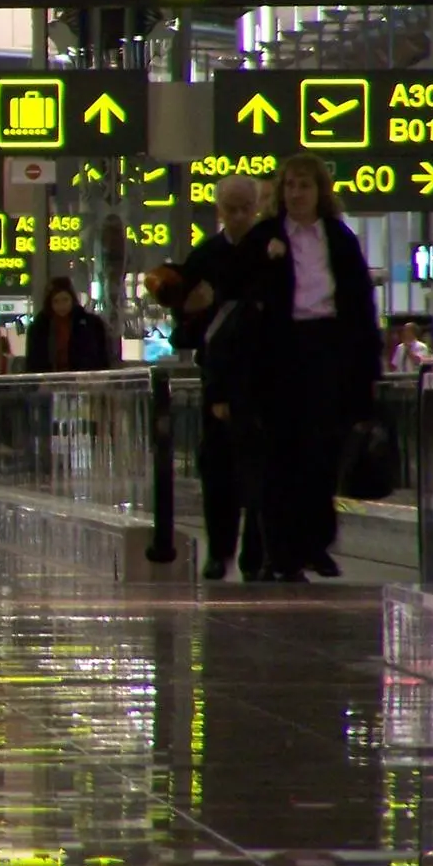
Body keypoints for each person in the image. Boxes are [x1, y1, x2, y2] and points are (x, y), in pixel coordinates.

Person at [245, 154, 381, 583]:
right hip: (281, 352)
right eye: (290, 186)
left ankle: (315, 543)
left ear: (320, 191)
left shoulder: (338, 238)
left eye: (305, 186)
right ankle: (281, 553)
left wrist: (366, 369)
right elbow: (247, 302)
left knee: (323, 451)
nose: (297, 194)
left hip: (328, 349)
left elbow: (360, 304)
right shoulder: (265, 237)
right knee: (281, 453)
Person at [153, 175, 265, 581]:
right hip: (219, 375)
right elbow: (184, 327)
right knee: (218, 467)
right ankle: (220, 549)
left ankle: (258, 551)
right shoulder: (205, 257)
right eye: (230, 209)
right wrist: (193, 308)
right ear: (219, 210)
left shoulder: (270, 252)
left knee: (262, 467)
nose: (238, 217)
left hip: (264, 374)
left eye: (245, 209)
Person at [24, 277, 111, 373]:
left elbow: (102, 355)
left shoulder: (91, 324)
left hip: (83, 378)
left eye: (65, 300)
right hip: (49, 378)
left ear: (72, 300)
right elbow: (33, 361)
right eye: (56, 301)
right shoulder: (39, 328)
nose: (61, 306)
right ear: (50, 303)